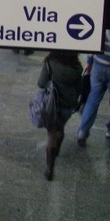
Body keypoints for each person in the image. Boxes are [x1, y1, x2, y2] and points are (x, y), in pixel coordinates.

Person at [77, 29, 110, 146]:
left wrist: (89, 62)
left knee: (92, 100)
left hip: (98, 66)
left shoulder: (103, 26)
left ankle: (82, 131)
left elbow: (93, 45)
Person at [37, 51, 83, 180]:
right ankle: (56, 150)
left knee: (52, 133)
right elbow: (79, 88)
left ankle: (49, 167)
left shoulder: (50, 63)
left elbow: (41, 83)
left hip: (52, 104)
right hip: (68, 105)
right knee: (60, 128)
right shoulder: (77, 68)